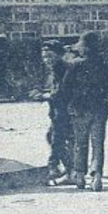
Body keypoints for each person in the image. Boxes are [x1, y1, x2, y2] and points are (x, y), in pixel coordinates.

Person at [63, 31, 108, 191]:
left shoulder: (74, 64)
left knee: (80, 143)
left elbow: (66, 87)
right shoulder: (103, 64)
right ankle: (97, 176)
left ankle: (80, 175)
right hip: (99, 107)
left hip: (79, 108)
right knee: (98, 144)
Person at [37, 39, 75, 185]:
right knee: (53, 137)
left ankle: (54, 168)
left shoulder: (64, 69)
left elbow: (62, 92)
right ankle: (68, 169)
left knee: (57, 138)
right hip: (57, 111)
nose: (47, 60)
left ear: (59, 55)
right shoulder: (54, 70)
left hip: (65, 111)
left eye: (50, 56)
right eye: (45, 57)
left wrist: (44, 95)